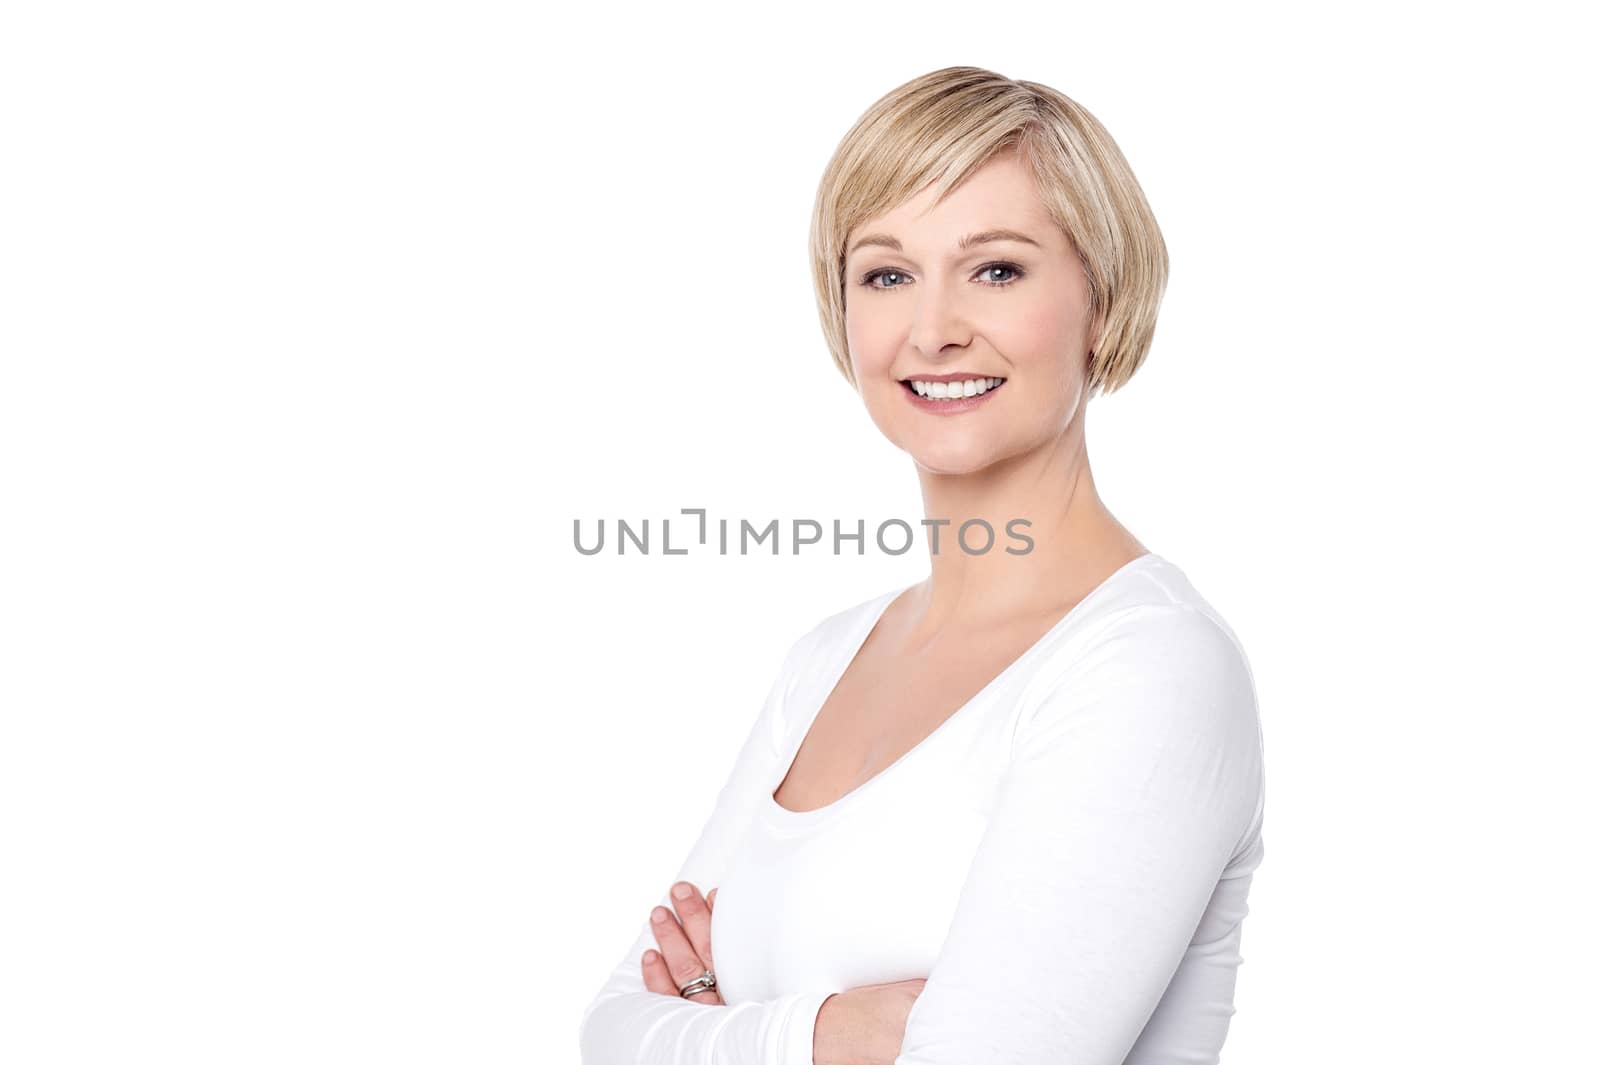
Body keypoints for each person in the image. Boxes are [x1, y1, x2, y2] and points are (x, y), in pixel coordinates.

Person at [578, 65, 1265, 1065]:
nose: (932, 328)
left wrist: (715, 1016)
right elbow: (608, 1028)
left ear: (1102, 304)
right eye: (887, 274)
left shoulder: (1147, 668)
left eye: (995, 269)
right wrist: (837, 1030)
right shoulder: (825, 659)